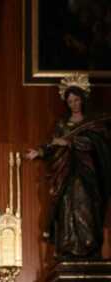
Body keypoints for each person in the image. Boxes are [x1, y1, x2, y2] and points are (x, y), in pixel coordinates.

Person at [25, 74, 111, 260]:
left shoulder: (94, 124)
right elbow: (53, 144)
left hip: (88, 175)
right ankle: (68, 246)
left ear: (83, 100)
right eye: (70, 101)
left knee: (86, 206)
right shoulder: (62, 124)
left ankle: (89, 246)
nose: (73, 104)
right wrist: (39, 152)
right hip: (66, 174)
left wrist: (71, 143)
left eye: (76, 100)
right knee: (66, 205)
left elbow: (99, 145)